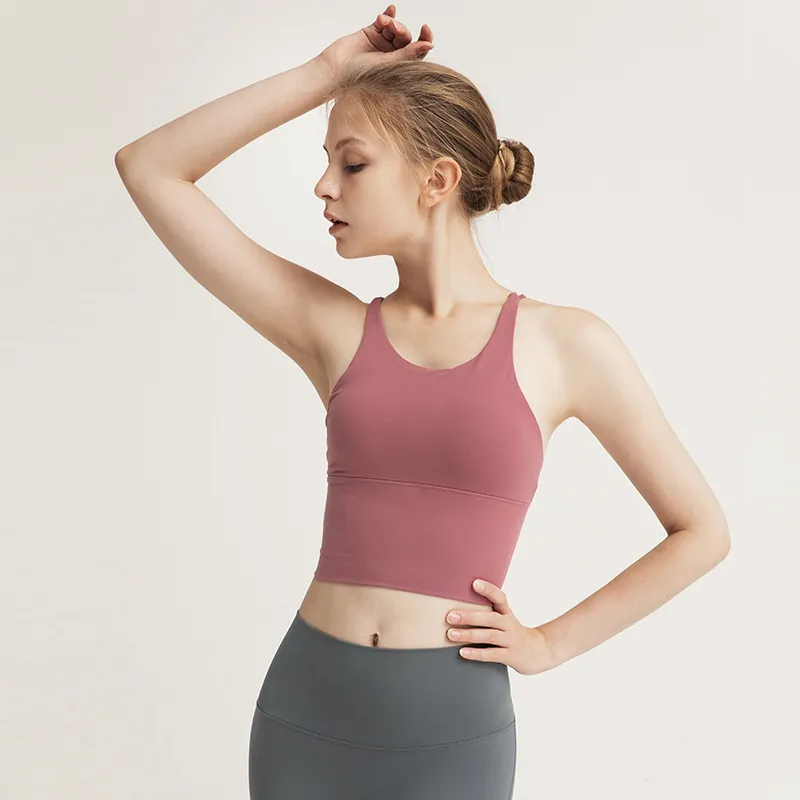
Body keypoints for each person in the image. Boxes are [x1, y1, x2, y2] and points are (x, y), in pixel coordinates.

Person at [114, 5, 731, 797]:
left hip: (452, 731)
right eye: (327, 162)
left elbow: (701, 532)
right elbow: (150, 167)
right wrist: (326, 75)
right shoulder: (334, 330)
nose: (323, 186)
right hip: (306, 713)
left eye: (352, 164)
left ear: (436, 181)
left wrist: (550, 643)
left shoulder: (566, 344)